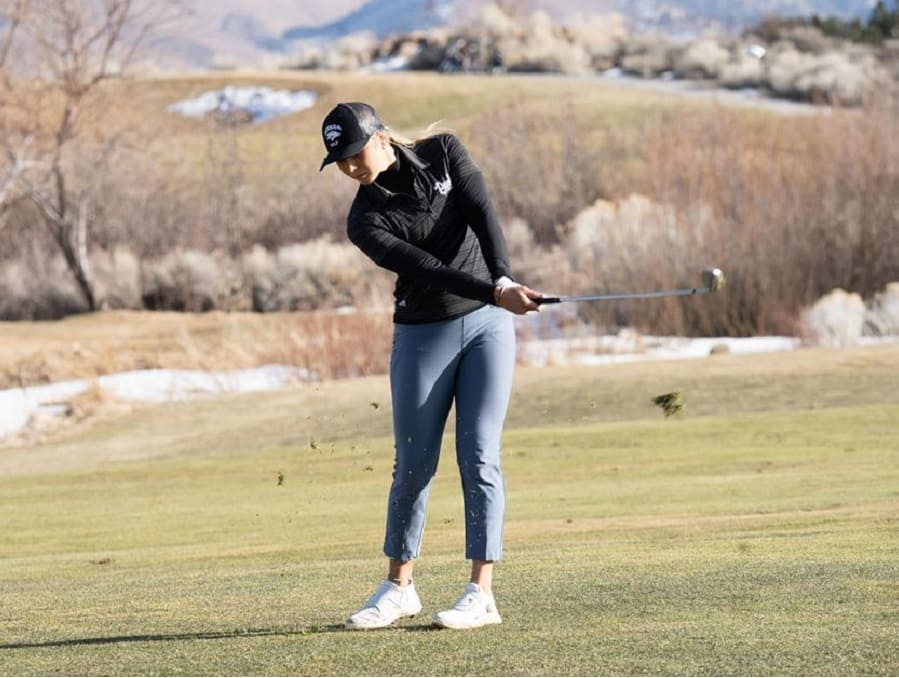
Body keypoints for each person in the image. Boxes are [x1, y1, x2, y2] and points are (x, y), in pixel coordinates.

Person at [319, 101, 543, 630]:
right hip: (423, 332)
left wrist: (504, 278)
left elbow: (484, 214)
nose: (350, 168)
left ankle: (480, 593)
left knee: (479, 456)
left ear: (379, 137)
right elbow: (427, 268)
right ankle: (399, 588)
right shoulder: (364, 220)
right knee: (414, 463)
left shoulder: (443, 152)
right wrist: (495, 289)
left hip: (488, 326)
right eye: (340, 162)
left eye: (353, 154)